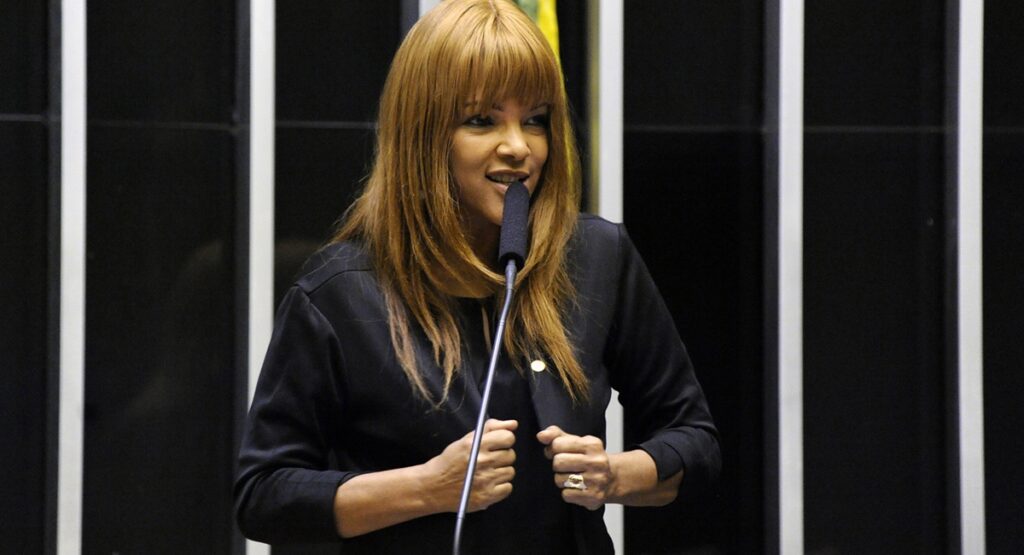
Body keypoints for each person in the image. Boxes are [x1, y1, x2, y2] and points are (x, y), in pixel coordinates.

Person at [234, 0, 720, 552]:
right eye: (482, 120)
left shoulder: (595, 258)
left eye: (535, 120)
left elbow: (695, 442)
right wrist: (427, 488)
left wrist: (614, 475)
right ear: (423, 135)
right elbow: (264, 497)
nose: (518, 147)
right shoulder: (340, 291)